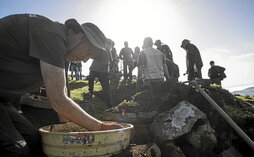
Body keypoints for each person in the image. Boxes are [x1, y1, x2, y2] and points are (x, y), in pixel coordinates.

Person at [0, 14, 122, 157]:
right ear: (82, 37)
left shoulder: (63, 52)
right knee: (15, 149)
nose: (85, 61)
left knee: (34, 138)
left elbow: (61, 91)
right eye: (88, 53)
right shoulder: (52, 35)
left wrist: (65, 130)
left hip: (3, 100)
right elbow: (58, 99)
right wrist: (100, 127)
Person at [88, 39, 112, 107]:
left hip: (94, 68)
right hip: (102, 70)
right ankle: (109, 105)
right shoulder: (107, 49)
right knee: (106, 89)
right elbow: (110, 61)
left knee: (91, 81)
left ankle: (90, 94)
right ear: (110, 44)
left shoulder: (99, 46)